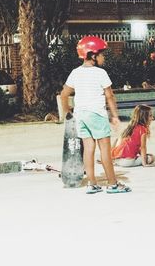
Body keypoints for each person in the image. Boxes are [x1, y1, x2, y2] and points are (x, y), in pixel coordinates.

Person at [60, 36, 132, 194]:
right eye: (101, 54)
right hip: (97, 115)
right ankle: (113, 184)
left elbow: (64, 94)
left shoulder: (75, 73)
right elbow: (110, 96)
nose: (103, 57)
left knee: (88, 149)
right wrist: (115, 116)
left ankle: (92, 184)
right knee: (105, 150)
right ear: (92, 55)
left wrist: (68, 113)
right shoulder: (101, 73)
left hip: (81, 115)